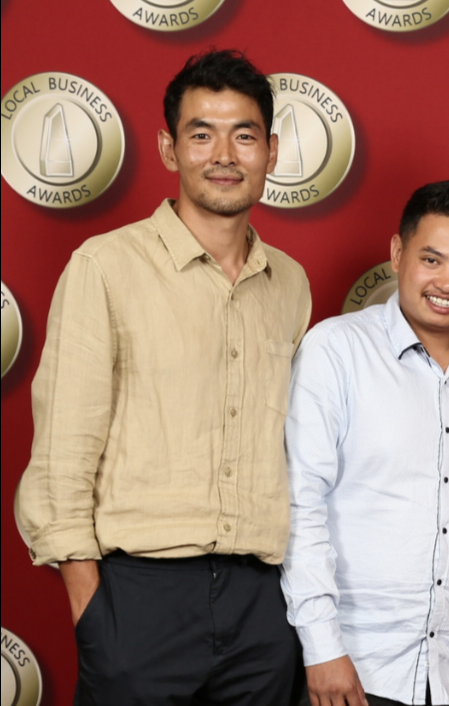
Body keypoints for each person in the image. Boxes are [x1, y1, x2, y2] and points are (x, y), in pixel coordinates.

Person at [16, 49, 312, 705]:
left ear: (272, 150)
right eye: (201, 133)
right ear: (169, 148)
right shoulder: (105, 266)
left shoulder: (289, 283)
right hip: (139, 595)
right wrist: (93, 610)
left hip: (263, 603)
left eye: (245, 134)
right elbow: (65, 446)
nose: (224, 154)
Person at [281, 180, 449, 706]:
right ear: (396, 254)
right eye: (431, 259)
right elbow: (301, 503)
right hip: (356, 671)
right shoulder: (335, 349)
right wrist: (322, 649)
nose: (447, 283)